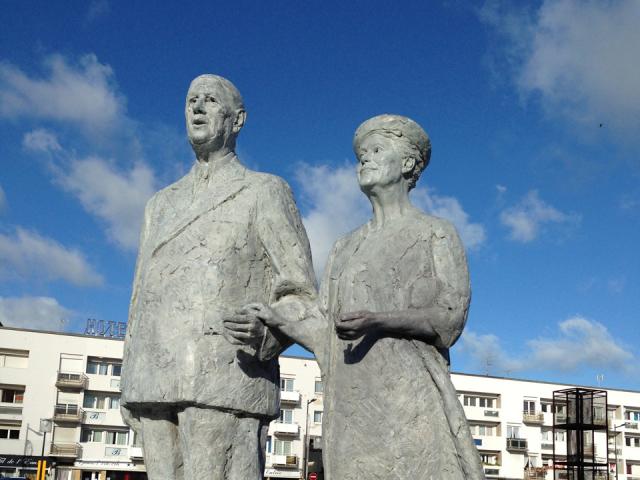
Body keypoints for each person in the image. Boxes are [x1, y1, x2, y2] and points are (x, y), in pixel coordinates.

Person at [245, 114, 485, 479]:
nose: (364, 160)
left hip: (411, 401)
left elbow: (450, 319)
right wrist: (281, 321)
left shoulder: (436, 233)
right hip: (352, 409)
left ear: (407, 164)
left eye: (376, 150)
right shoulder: (344, 247)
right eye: (361, 155)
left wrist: (381, 320)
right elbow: (328, 335)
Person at [120, 74, 316, 480]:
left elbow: (298, 289)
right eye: (191, 100)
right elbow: (140, 294)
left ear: (237, 120)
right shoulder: (160, 203)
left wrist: (268, 334)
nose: (196, 107)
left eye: (209, 100)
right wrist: (128, 378)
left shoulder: (265, 190)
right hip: (153, 377)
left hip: (227, 374)